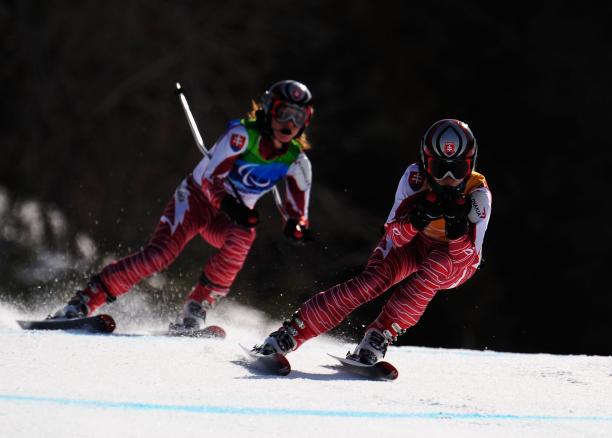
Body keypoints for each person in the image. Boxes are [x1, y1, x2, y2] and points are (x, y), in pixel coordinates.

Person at [50, 79, 315, 333]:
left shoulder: (297, 162)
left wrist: (297, 227)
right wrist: (232, 207)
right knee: (160, 255)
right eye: (283, 114)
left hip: (225, 218)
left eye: (298, 117)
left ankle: (196, 307)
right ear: (269, 110)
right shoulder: (242, 136)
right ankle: (83, 301)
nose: (289, 124)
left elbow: (297, 212)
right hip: (195, 200)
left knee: (244, 235)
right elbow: (212, 181)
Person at [256, 119, 492, 364]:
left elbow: (468, 259)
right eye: (439, 167)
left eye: (458, 169)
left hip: (454, 259)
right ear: (425, 162)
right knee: (370, 282)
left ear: (471, 165)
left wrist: (456, 234)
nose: (448, 178)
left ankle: (379, 336)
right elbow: (392, 235)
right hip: (412, 244)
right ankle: (292, 331)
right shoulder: (413, 179)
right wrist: (414, 221)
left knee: (436, 266)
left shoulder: (478, 195)